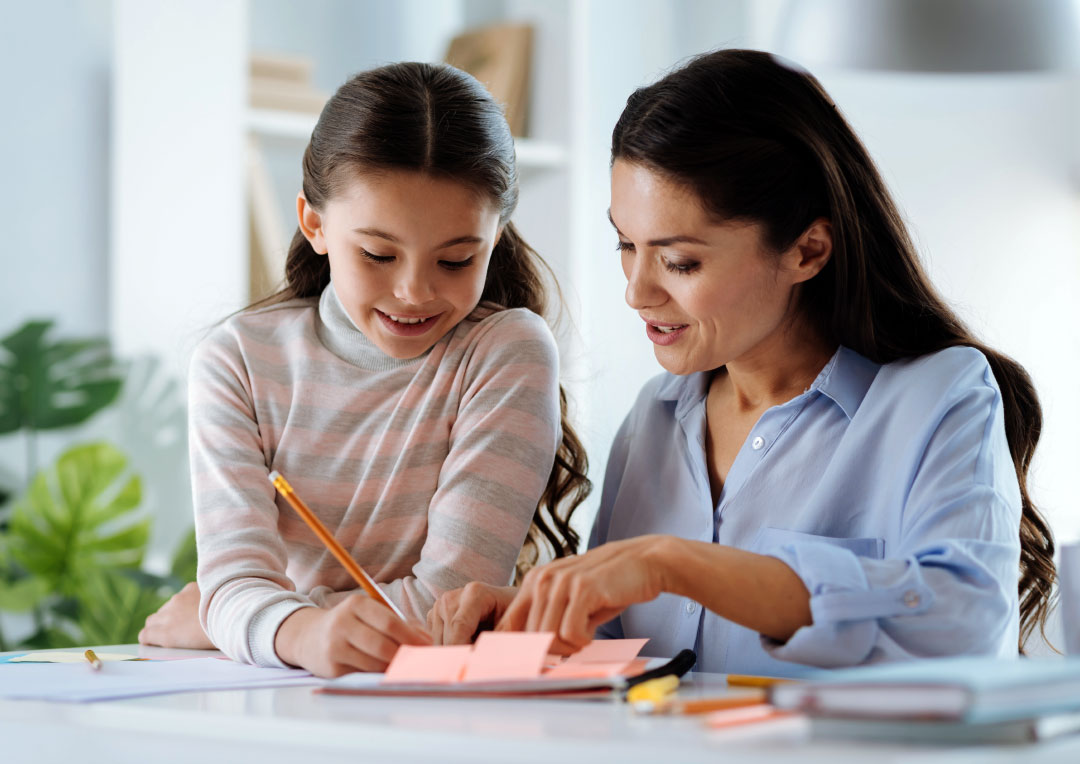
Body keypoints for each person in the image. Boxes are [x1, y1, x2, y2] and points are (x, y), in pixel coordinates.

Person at [427, 49, 1056, 677]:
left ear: (807, 250)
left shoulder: (937, 396)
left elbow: (965, 625)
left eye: (680, 262)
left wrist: (676, 564)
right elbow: (618, 650)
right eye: (626, 244)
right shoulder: (658, 414)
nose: (637, 291)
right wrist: (524, 622)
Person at [138, 62, 590, 677]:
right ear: (314, 225)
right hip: (268, 702)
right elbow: (234, 580)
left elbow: (447, 613)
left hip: (429, 704)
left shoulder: (504, 352)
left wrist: (257, 625)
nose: (413, 292)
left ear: (495, 236)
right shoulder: (237, 360)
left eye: (457, 259)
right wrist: (285, 628)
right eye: (378, 254)